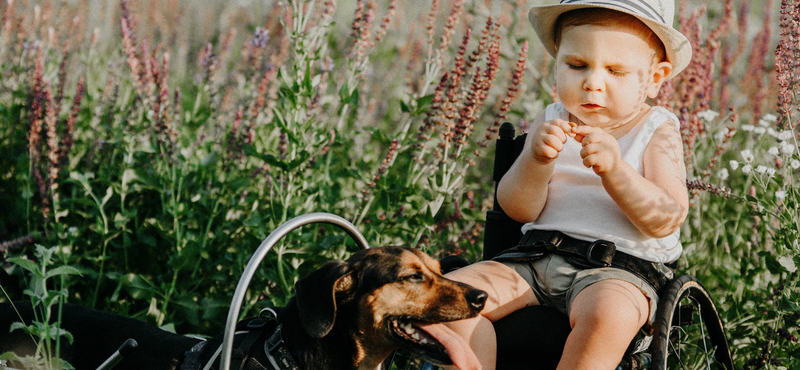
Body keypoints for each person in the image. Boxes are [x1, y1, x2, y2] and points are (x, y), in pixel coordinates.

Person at [440, 1, 692, 369]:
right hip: (533, 256)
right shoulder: (553, 118)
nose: (592, 82)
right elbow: (517, 208)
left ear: (654, 78)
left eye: (615, 71)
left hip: (618, 269)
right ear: (557, 61)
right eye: (576, 66)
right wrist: (535, 160)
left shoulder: (656, 129)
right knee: (452, 299)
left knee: (607, 317)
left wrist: (617, 172)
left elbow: (666, 217)